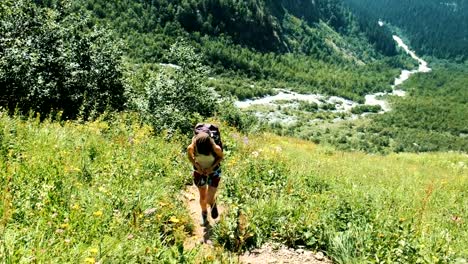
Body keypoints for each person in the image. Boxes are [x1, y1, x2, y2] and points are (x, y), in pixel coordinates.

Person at [187, 131, 224, 226]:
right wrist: (197, 166)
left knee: (208, 198)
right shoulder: (192, 147)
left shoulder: (216, 148)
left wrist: (211, 168)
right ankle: (204, 215)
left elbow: (220, 157)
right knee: (203, 197)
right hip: (199, 173)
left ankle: (212, 203)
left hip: (214, 172)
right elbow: (190, 157)